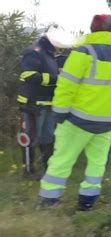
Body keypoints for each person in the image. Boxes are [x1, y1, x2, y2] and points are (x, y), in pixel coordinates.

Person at [38, 14, 111, 211]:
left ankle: (49, 201)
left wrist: (60, 112)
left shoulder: (83, 52)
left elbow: (67, 86)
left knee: (62, 160)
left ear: (93, 30)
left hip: (77, 119)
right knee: (97, 164)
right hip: (107, 123)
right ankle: (87, 202)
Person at [17, 26, 62, 176]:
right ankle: (28, 170)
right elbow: (29, 75)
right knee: (31, 137)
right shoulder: (34, 52)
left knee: (47, 137)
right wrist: (56, 79)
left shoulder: (50, 55)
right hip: (33, 104)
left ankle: (47, 168)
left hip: (48, 103)